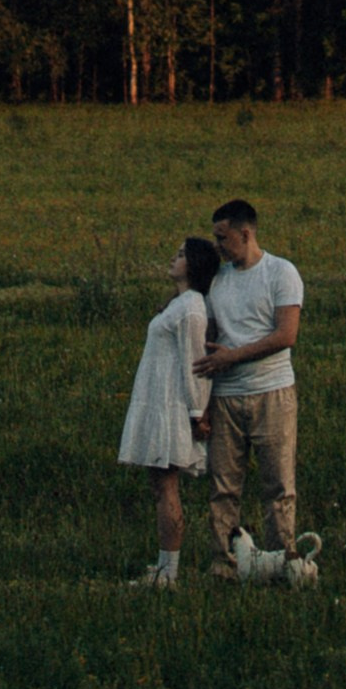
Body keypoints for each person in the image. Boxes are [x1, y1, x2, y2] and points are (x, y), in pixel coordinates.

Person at [194, 196, 304, 577]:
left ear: (245, 233)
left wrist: (233, 357)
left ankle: (281, 561)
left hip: (272, 391)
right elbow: (209, 340)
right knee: (223, 486)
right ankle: (223, 564)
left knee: (278, 484)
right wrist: (204, 405)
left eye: (223, 238)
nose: (218, 246)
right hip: (225, 396)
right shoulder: (217, 282)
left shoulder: (280, 272)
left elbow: (286, 334)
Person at [116, 234, 220, 586]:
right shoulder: (179, 304)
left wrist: (196, 413)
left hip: (171, 407)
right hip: (157, 401)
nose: (173, 259)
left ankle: (168, 573)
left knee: (166, 488)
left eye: (180, 254)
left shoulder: (191, 308)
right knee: (160, 487)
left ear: (194, 265)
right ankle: (163, 566)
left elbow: (197, 364)